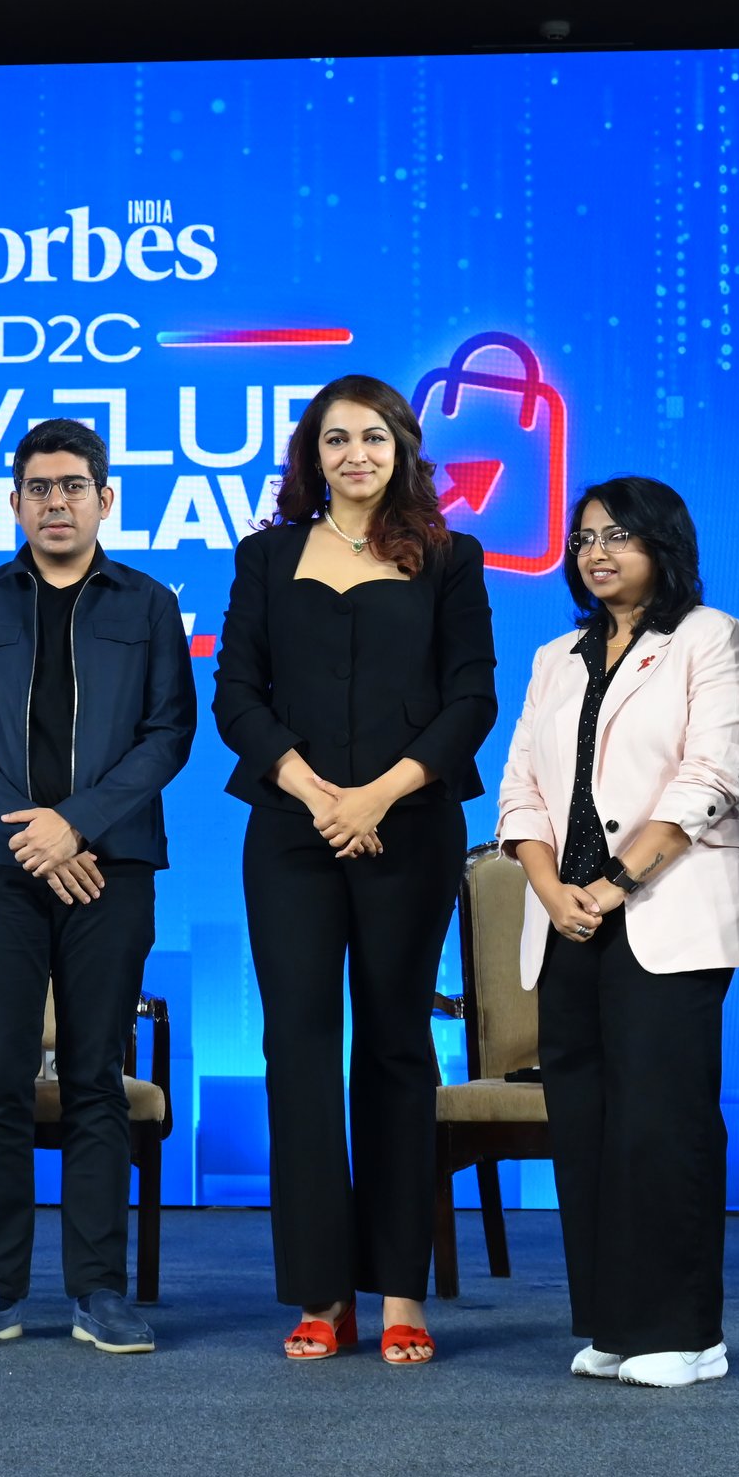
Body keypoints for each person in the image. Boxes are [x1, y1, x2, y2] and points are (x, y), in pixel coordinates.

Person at [213, 375, 497, 1365]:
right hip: (291, 834)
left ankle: (400, 1292)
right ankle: (319, 1292)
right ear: (311, 456)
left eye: (372, 438)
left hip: (406, 828)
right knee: (295, 1053)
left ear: (402, 448)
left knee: (394, 1051)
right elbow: (236, 697)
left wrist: (376, 796)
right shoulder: (264, 556)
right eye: (334, 440)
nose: (354, 456)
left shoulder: (450, 560)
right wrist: (315, 793)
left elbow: (471, 698)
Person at [0, 418, 196, 1355]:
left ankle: (99, 1291)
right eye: (38, 487)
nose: (56, 502)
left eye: (73, 486)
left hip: (110, 867)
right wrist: (33, 832)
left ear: (105, 497)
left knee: (94, 1078)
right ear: (15, 501)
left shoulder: (151, 604)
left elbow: (168, 736)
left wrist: (74, 823)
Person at [493, 476, 739, 1389]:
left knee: (664, 1123)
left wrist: (610, 886)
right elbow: (521, 791)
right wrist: (552, 887)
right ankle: (614, 1321)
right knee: (587, 1123)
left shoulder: (711, 637)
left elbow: (710, 775)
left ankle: (686, 1333)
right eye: (583, 538)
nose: (597, 552)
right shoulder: (553, 656)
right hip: (566, 917)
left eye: (618, 535)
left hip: (664, 910)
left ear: (665, 544)